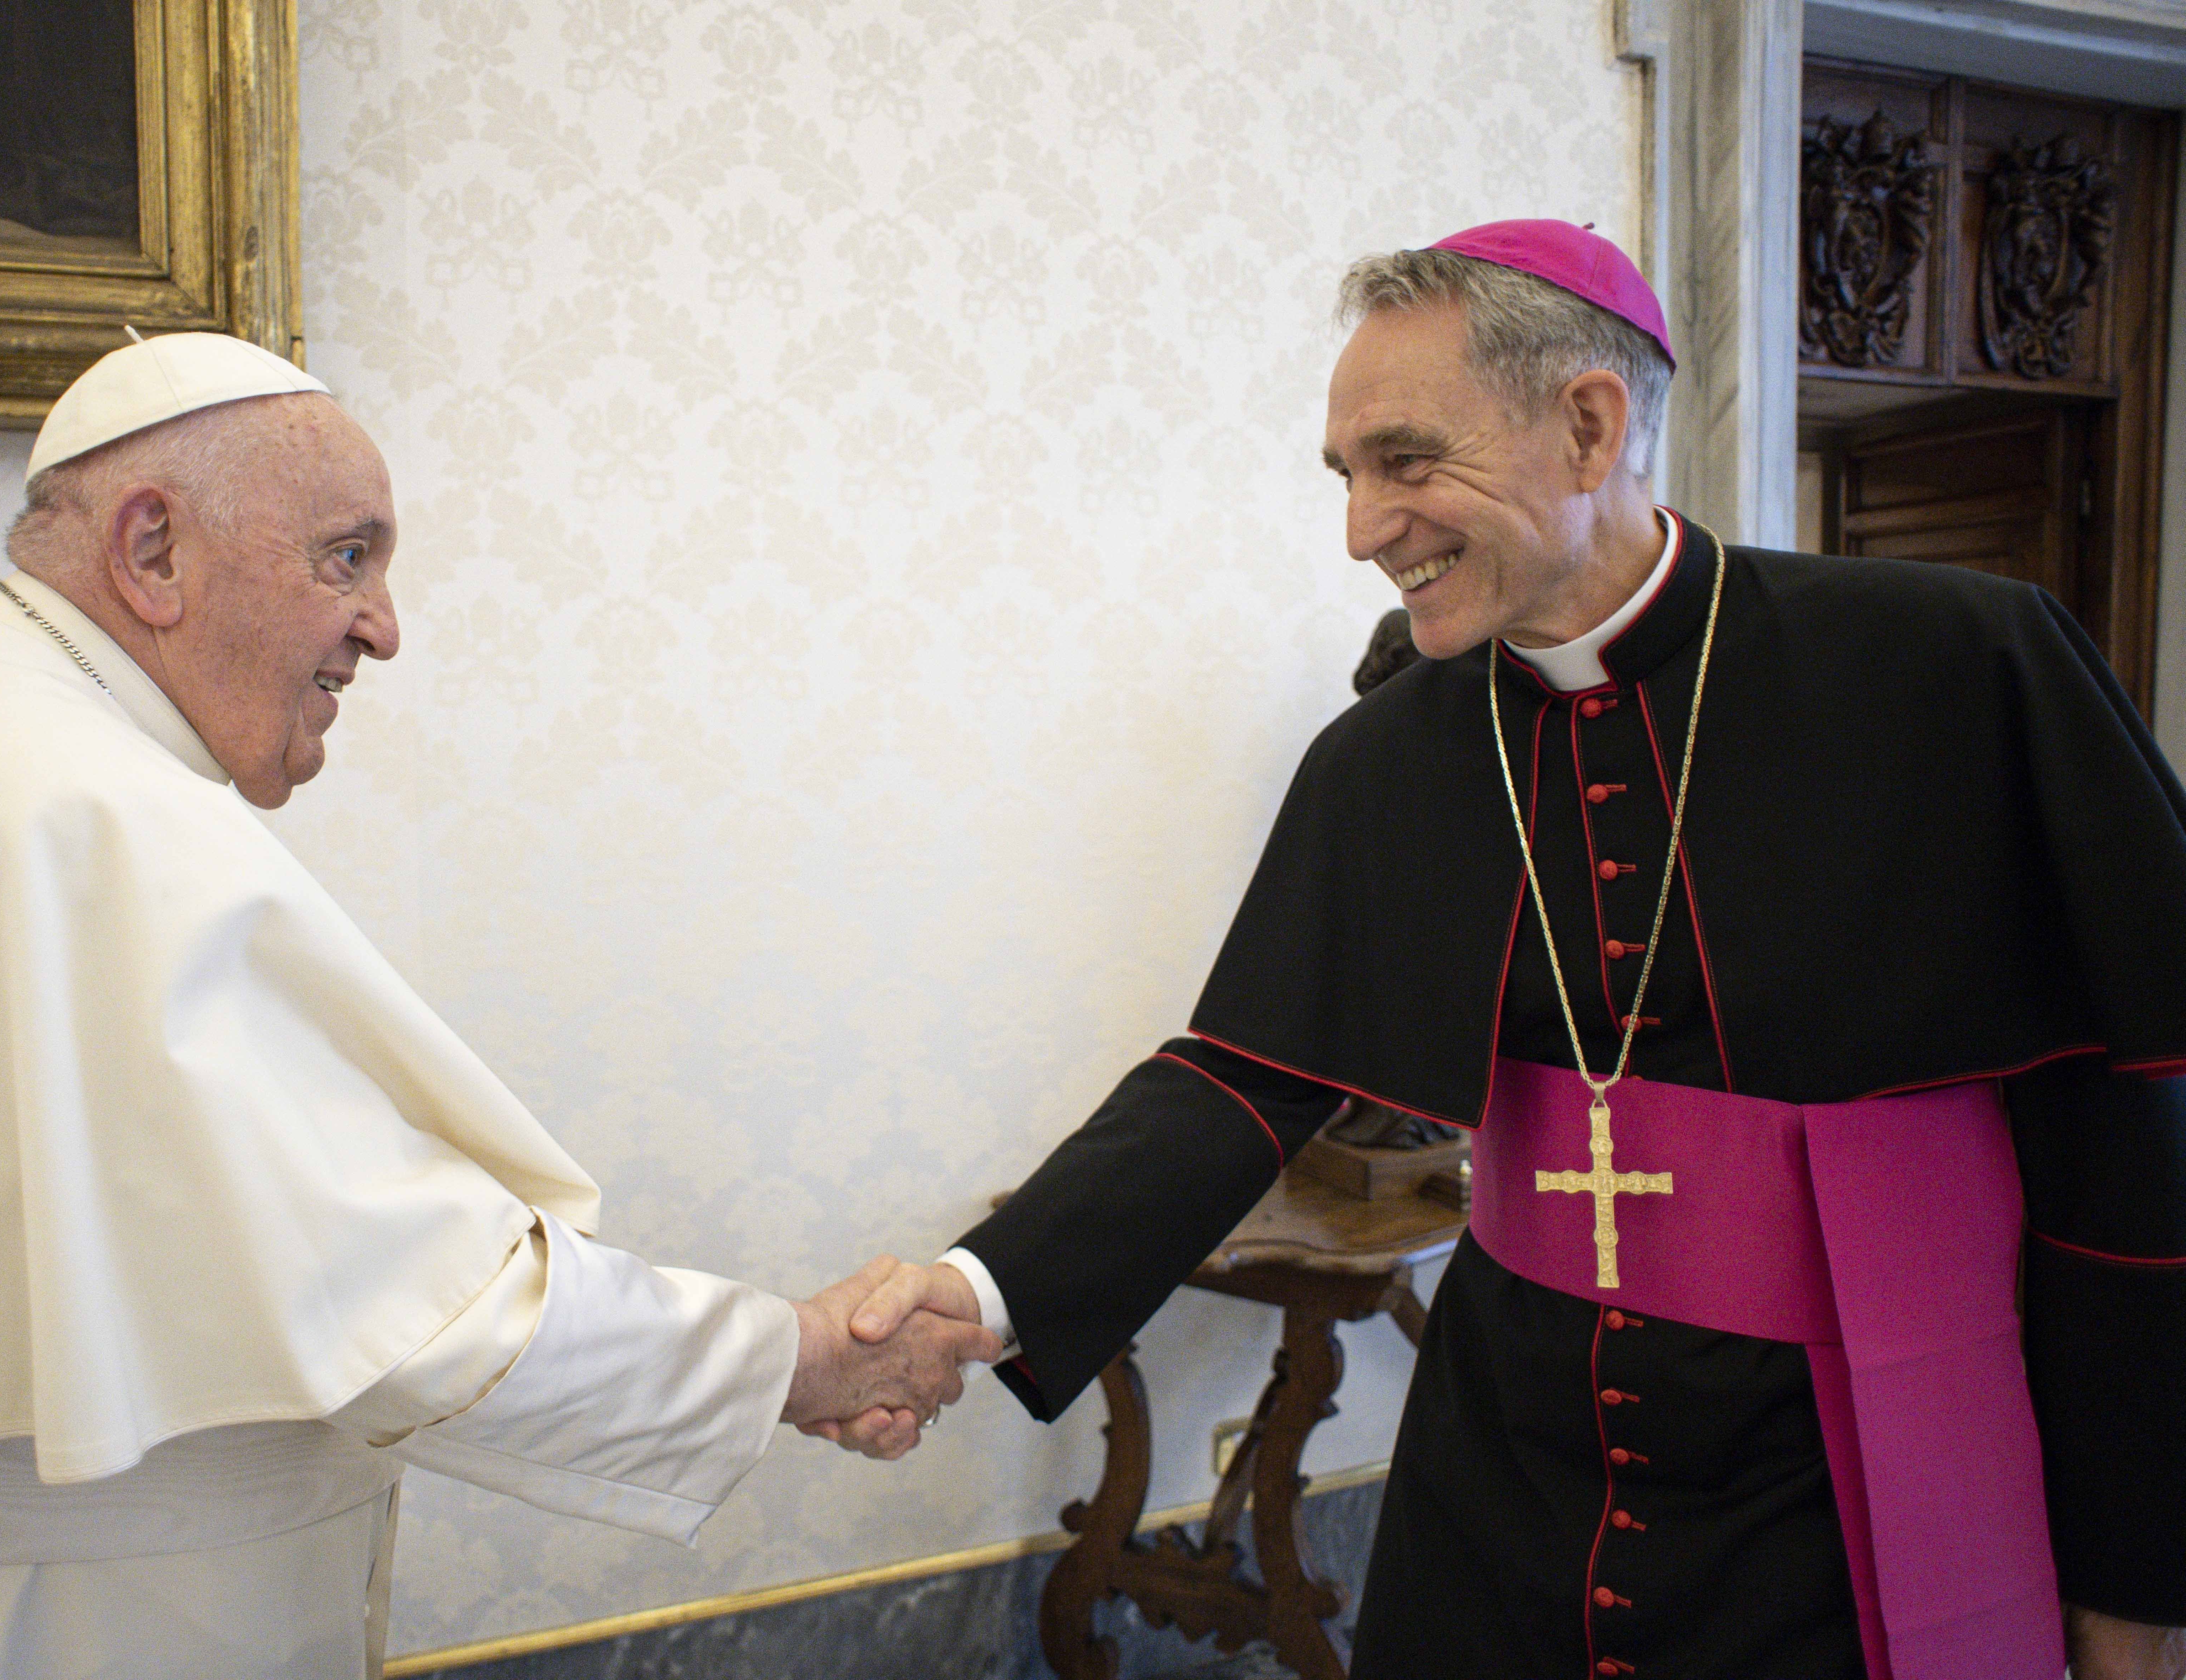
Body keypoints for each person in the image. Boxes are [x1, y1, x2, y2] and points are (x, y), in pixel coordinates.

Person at [830, 222, 2186, 1680]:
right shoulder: (1389, 754)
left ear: (1587, 425)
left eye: (1402, 461)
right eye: (1345, 476)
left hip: (1851, 1461)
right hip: (1504, 1473)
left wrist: (2134, 1592)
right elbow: (1234, 1079)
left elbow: (2125, 1174)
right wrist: (972, 1299)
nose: (1361, 527)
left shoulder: (1957, 667)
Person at [0, 331, 997, 1680]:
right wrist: (798, 1360)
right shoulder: (71, 813)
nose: (385, 626)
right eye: (346, 558)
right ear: (152, 551)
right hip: (8, 1629)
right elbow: (403, 1297)